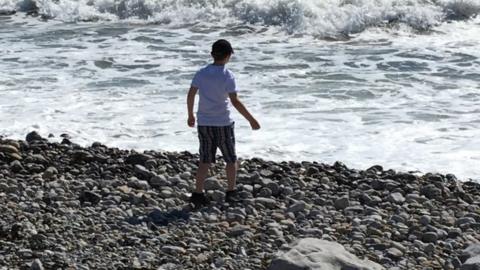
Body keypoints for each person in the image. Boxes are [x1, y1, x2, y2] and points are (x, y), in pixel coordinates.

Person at [186, 39, 260, 208]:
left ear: (212, 55)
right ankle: (231, 192)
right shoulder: (228, 75)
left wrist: (190, 115)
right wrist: (251, 119)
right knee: (230, 159)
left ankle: (198, 193)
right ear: (228, 56)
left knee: (205, 160)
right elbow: (235, 101)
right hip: (223, 124)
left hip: (204, 122)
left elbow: (191, 94)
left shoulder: (201, 73)